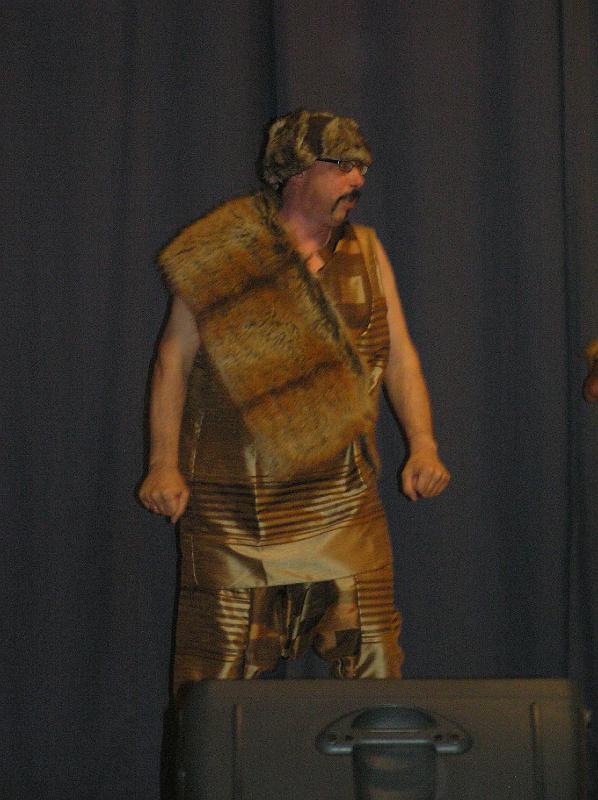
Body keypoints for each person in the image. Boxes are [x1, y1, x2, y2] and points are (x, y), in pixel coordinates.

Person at [139, 110, 450, 697]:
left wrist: (424, 445)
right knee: (215, 690)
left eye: (362, 167)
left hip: (343, 501)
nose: (359, 180)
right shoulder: (222, 254)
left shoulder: (367, 250)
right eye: (345, 166)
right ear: (298, 172)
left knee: (375, 670)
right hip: (233, 509)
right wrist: (162, 463)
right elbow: (172, 361)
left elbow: (400, 357)